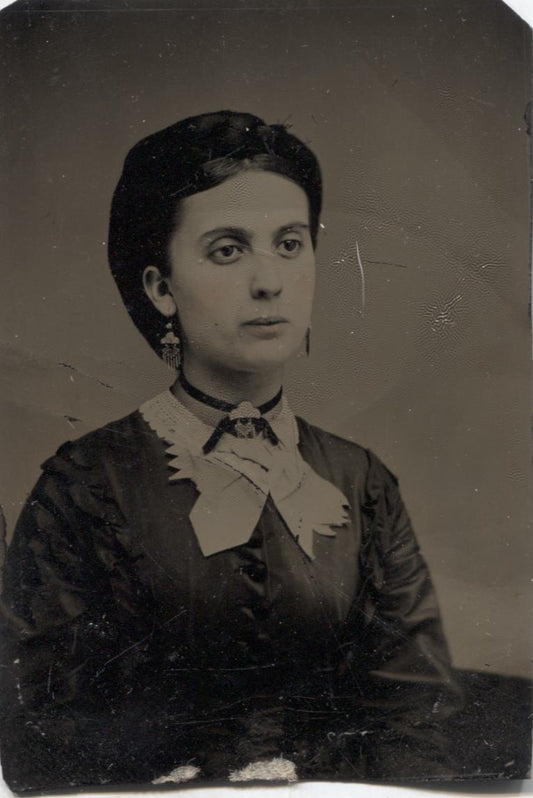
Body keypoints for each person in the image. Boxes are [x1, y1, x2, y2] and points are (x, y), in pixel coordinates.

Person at [0, 111, 462, 792]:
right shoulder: (86, 485)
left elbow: (414, 721)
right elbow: (42, 738)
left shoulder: (359, 480)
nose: (269, 280)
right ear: (160, 287)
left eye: (289, 243)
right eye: (227, 249)